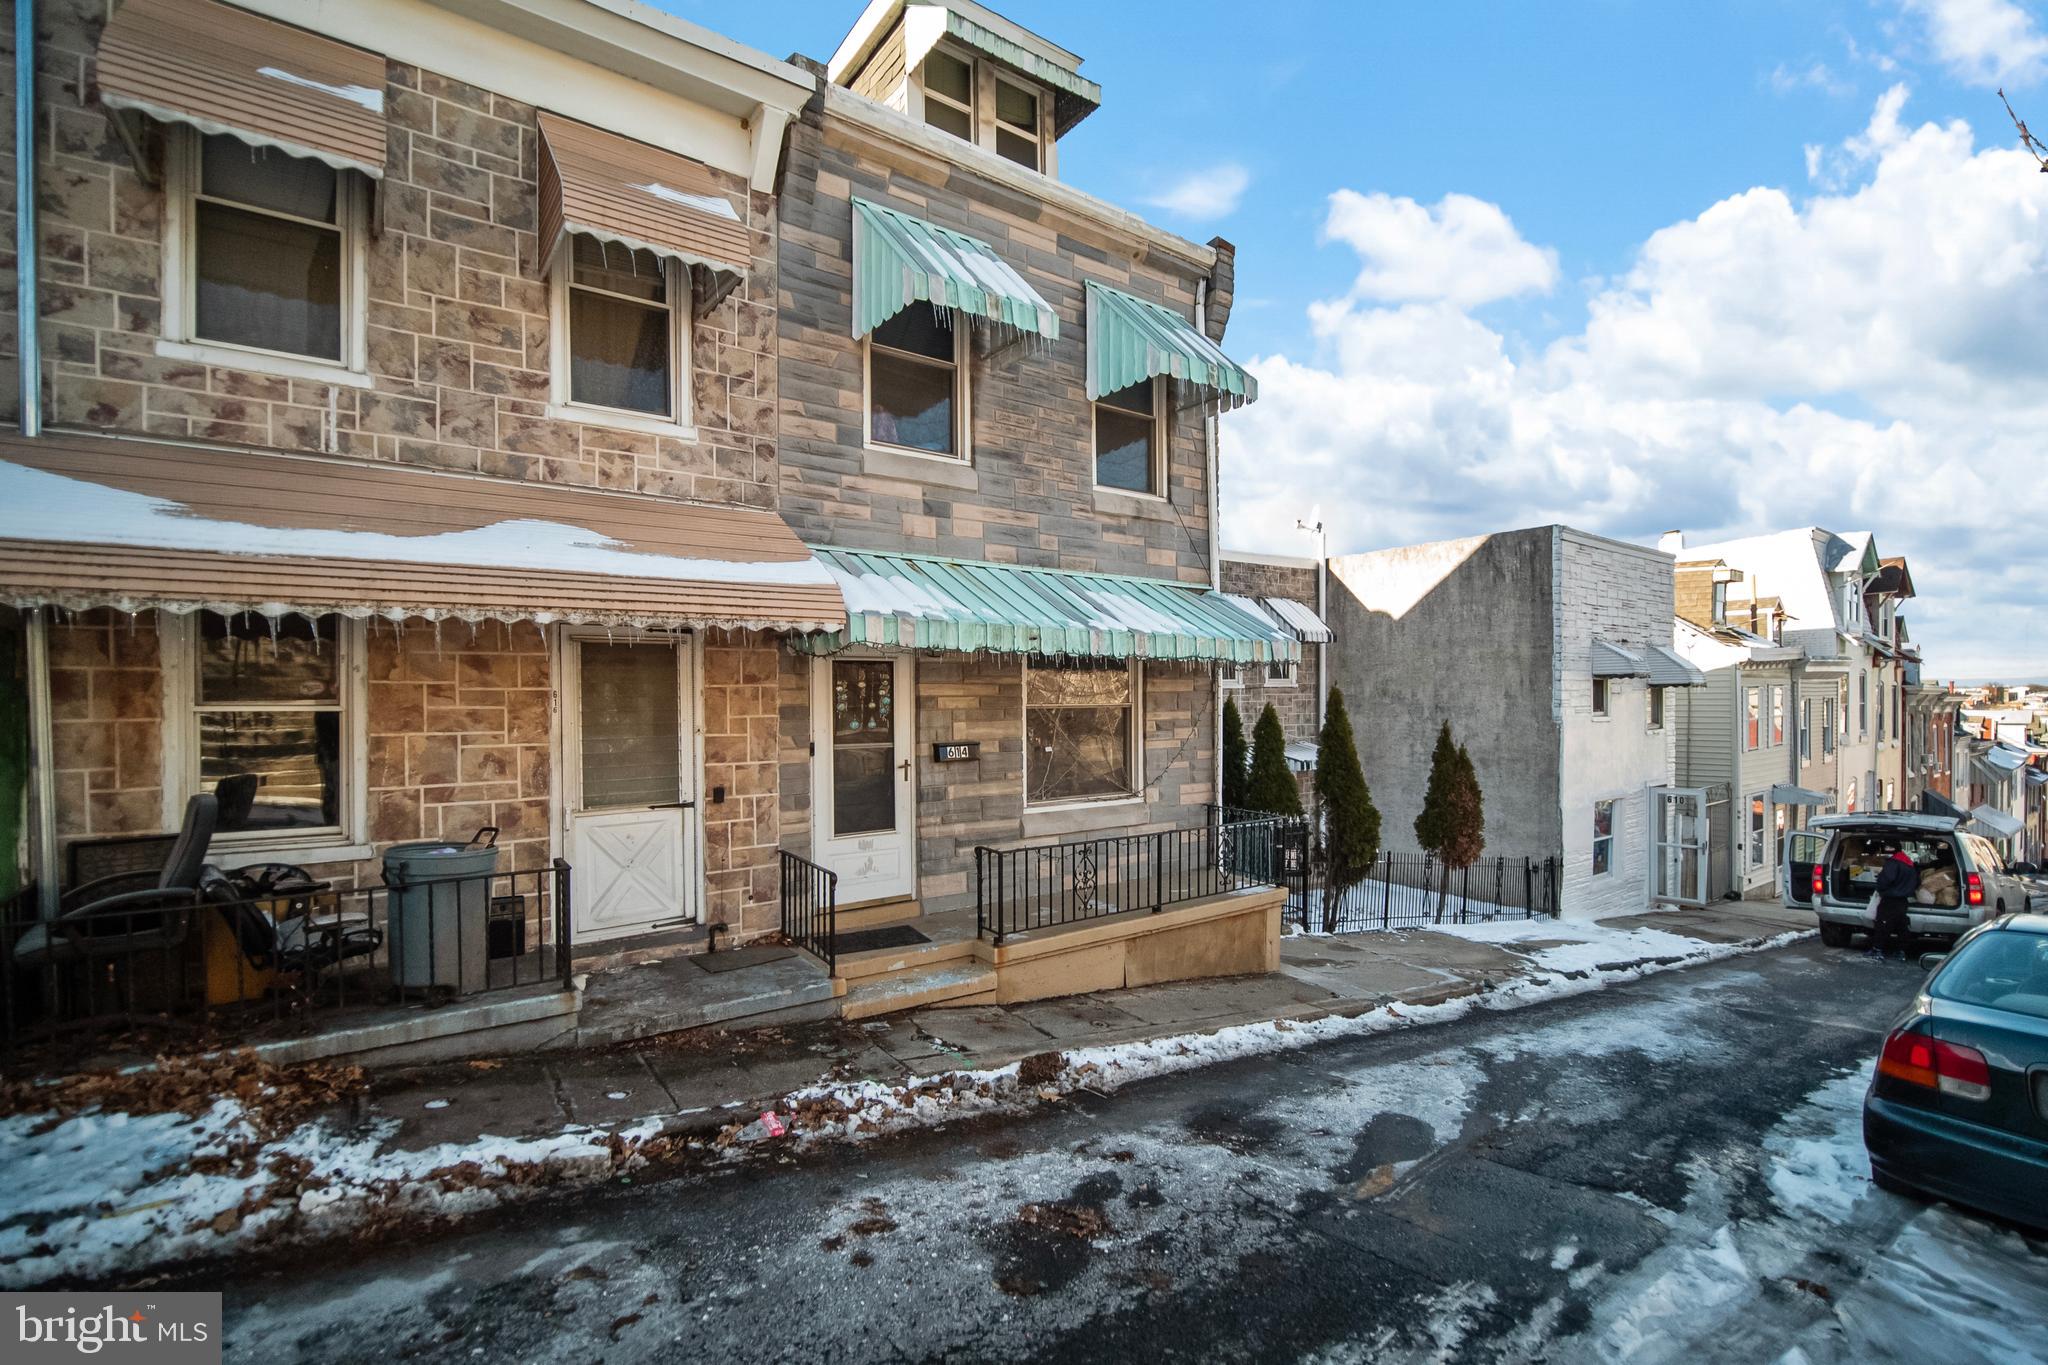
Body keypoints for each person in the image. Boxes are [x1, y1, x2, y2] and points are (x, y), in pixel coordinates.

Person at [1869, 848, 1920, 961]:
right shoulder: (1910, 864)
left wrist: (1880, 889)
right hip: (1903, 900)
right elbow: (1917, 882)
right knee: (1902, 925)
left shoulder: (1893, 863)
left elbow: (1885, 880)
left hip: (1890, 898)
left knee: (1883, 923)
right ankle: (1901, 951)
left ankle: (1877, 950)